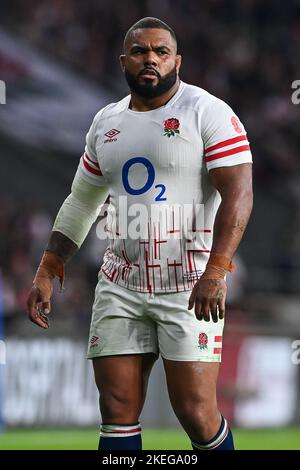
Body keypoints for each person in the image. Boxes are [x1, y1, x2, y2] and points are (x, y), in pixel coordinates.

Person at [26, 17, 253, 451]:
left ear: (177, 61)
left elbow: (240, 194)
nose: (150, 58)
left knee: (196, 413)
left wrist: (217, 271)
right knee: (116, 410)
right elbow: (81, 200)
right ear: (123, 61)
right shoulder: (105, 122)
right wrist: (48, 265)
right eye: (140, 51)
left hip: (189, 283)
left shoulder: (208, 112)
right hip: (121, 282)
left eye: (160, 51)